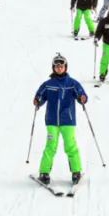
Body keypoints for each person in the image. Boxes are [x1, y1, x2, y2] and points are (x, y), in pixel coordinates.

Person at [33, 54, 87, 186]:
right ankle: (44, 172)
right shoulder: (47, 84)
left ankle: (76, 172)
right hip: (52, 120)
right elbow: (40, 95)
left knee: (70, 145)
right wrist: (37, 101)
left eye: (61, 66)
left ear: (65, 67)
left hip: (67, 120)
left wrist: (82, 98)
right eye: (56, 66)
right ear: (53, 68)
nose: (59, 68)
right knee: (51, 146)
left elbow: (81, 94)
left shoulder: (72, 83)